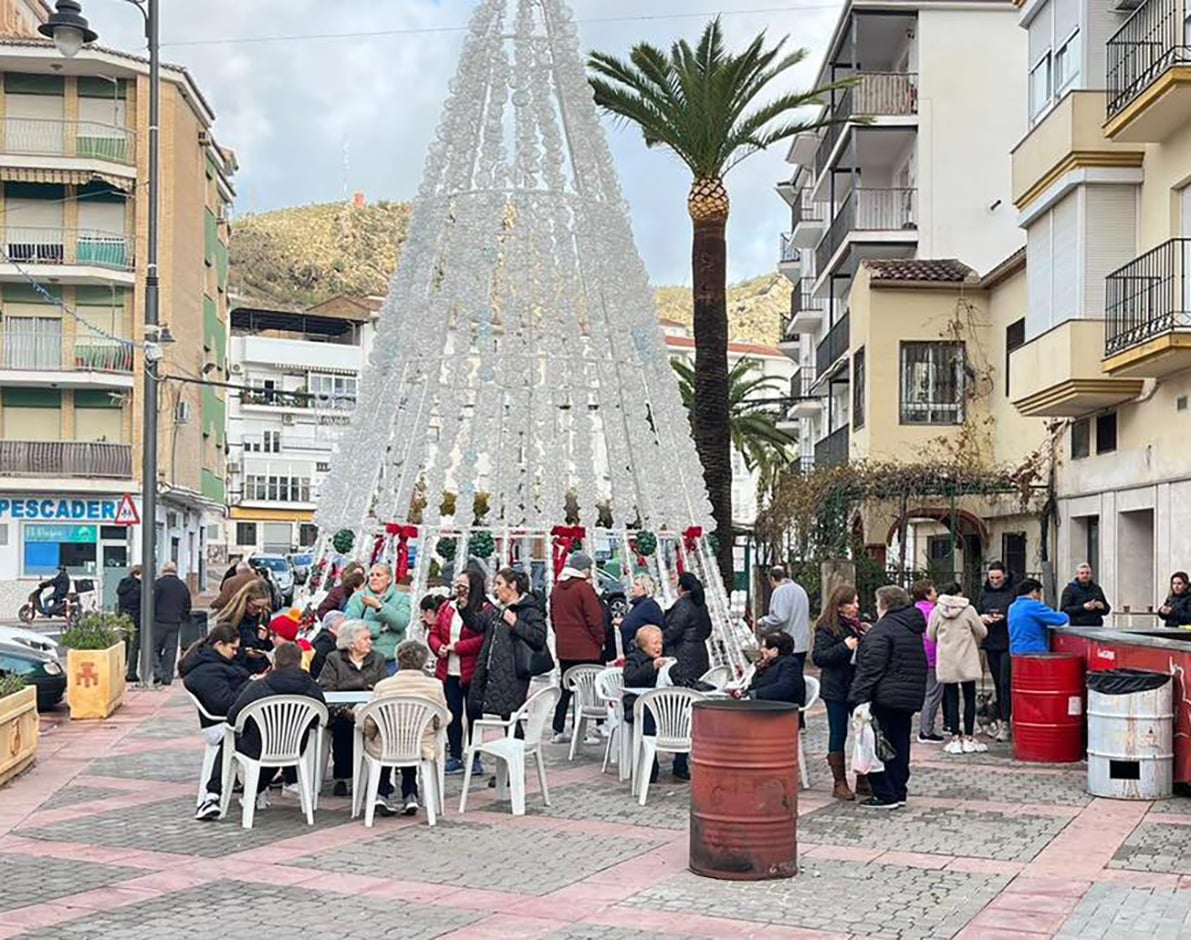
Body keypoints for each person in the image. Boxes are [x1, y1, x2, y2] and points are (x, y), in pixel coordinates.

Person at [194, 641, 325, 821]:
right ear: (300, 661)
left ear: (275, 662)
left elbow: (234, 717)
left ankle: (212, 796)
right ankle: (253, 793)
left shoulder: (260, 686)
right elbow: (320, 719)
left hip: (256, 746)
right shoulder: (312, 687)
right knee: (277, 749)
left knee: (229, 739)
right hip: (294, 747)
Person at [849, 585, 928, 811]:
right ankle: (899, 790)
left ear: (884, 604)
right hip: (907, 695)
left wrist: (858, 696)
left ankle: (885, 793)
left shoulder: (882, 630)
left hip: (885, 696)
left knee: (879, 743)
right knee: (900, 743)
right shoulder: (910, 626)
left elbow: (871, 668)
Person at [365, 640, 450, 816]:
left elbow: (371, 720)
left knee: (388, 741)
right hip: (420, 744)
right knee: (411, 740)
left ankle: (381, 793)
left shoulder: (383, 686)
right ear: (424, 662)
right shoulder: (435, 686)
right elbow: (443, 716)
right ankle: (410, 794)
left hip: (387, 745)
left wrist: (370, 733)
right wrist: (434, 726)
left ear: (398, 661)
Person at [318, 619, 388, 796]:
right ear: (351, 643)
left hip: (370, 710)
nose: (370, 642)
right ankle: (343, 777)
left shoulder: (377, 659)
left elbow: (383, 686)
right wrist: (347, 711)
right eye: (365, 639)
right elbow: (327, 689)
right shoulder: (334, 659)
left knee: (377, 727)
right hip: (341, 710)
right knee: (343, 728)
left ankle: (376, 777)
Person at [466, 568, 548, 721]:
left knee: (510, 718)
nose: (495, 588)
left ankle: (518, 745)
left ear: (513, 585)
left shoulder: (529, 610)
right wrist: (464, 608)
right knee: (476, 709)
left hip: (513, 672)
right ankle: (475, 743)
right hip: (490, 670)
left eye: (499, 583)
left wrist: (515, 622)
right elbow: (478, 624)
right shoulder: (496, 609)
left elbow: (538, 637)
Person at [813, 583, 868, 801]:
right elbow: (819, 657)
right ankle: (839, 782)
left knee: (864, 731)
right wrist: (844, 647)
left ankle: (863, 776)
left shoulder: (857, 626)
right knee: (839, 733)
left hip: (857, 686)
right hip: (836, 688)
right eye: (853, 602)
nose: (857, 606)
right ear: (840, 606)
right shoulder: (826, 627)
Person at [428, 571, 487, 775]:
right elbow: (434, 632)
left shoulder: (484, 609)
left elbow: (483, 638)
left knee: (474, 714)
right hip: (448, 670)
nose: (459, 588)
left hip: (472, 670)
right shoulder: (447, 606)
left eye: (464, 584)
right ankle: (455, 755)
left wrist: (458, 647)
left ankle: (475, 755)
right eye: (457, 583)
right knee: (452, 714)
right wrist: (439, 647)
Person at [549, 551, 607, 744]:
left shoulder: (556, 589)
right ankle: (579, 731)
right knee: (584, 691)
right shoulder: (584, 588)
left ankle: (558, 729)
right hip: (586, 649)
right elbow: (595, 618)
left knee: (565, 687)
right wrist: (600, 640)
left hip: (564, 649)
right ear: (583, 569)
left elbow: (553, 619)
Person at [928, 582, 988, 756]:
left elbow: (931, 635)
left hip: (947, 660)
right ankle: (968, 737)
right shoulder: (968, 609)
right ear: (959, 593)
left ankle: (954, 737)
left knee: (951, 698)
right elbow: (982, 631)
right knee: (969, 697)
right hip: (966, 658)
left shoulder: (936, 611)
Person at [622, 624, 684, 782]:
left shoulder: (664, 659)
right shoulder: (633, 658)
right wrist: (652, 666)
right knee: (648, 719)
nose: (659, 647)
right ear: (643, 645)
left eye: (660, 643)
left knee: (682, 716)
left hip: (661, 705)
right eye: (654, 643)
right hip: (638, 706)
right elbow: (631, 677)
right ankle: (651, 766)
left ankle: (681, 763)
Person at [180, 623, 249, 730]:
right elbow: (226, 704)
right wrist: (251, 683)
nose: (235, 653)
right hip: (221, 724)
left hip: (232, 719)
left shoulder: (218, 661)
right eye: (233, 648)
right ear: (219, 645)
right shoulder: (206, 671)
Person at [344, 563, 410, 675]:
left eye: (378, 575)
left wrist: (380, 607)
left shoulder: (401, 598)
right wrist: (377, 628)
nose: (374, 578)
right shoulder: (359, 597)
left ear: (389, 579)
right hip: (364, 658)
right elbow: (350, 625)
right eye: (372, 575)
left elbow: (402, 622)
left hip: (391, 660)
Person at [977, 562, 1015, 743]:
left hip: (1008, 642)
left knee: (1005, 682)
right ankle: (1000, 718)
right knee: (998, 684)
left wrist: (1005, 617)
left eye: (998, 578)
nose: (995, 581)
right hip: (991, 642)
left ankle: (1006, 720)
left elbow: (1016, 614)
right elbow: (978, 612)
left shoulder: (1012, 592)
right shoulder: (984, 593)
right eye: (992, 578)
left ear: (1005, 576)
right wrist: (983, 618)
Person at [216, 580, 274, 676]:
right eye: (255, 606)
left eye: (262, 607)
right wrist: (244, 653)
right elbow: (221, 649)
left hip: (259, 669)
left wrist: (264, 639)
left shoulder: (264, 615)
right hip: (236, 669)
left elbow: (266, 647)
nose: (259, 611)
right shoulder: (231, 619)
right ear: (246, 601)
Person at [663, 572, 712, 685]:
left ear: (680, 587)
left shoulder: (683, 605)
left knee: (684, 687)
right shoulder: (701, 604)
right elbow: (707, 630)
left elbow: (674, 630)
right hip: (700, 652)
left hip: (683, 654)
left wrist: (659, 640)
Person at [757, 566, 811, 665]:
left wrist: (763, 622)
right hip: (802, 643)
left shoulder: (780, 591)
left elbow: (779, 618)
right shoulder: (800, 590)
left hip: (786, 645)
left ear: (772, 579)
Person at [912, 580, 944, 744]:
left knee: (927, 692)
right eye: (933, 591)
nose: (936, 594)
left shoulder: (914, 610)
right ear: (927, 594)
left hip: (919, 655)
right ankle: (926, 730)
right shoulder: (934, 611)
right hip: (933, 655)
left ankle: (926, 728)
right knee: (933, 694)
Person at [152, 561, 192, 686]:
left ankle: (158, 672)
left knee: (153, 649)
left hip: (158, 621)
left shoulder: (158, 584)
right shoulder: (182, 585)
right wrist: (182, 617)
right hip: (175, 622)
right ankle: (167, 676)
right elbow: (187, 605)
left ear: (163, 571)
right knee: (171, 650)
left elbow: (152, 602)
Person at [1009, 578, 1070, 655]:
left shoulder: (1012, 607)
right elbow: (1059, 619)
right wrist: (1067, 615)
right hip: (1034, 650)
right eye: (1040, 593)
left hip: (1015, 650)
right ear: (1034, 591)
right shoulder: (1033, 605)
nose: (1040, 596)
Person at [746, 631, 806, 706]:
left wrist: (755, 694)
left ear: (774, 650)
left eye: (764, 647)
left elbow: (783, 688)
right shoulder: (766, 664)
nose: (762, 650)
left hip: (782, 710)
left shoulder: (790, 664)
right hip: (764, 706)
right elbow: (756, 684)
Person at [616, 574, 664, 657]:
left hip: (643, 655)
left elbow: (660, 628)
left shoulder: (649, 606)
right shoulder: (637, 605)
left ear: (646, 589)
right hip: (633, 654)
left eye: (637, 585)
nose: (633, 587)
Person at [1060, 563, 1111, 627]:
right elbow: (1064, 610)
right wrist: (1083, 607)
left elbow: (1107, 610)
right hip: (1077, 627)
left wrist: (1102, 606)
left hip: (1096, 627)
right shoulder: (1070, 589)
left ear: (1091, 575)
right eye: (1082, 573)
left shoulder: (1097, 589)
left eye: (1087, 573)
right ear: (1077, 575)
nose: (1085, 575)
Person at [117, 565, 143, 683]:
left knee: (124, 643)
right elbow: (138, 603)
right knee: (134, 646)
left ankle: (121, 668)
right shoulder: (138, 587)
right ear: (138, 574)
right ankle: (131, 673)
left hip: (123, 616)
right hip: (135, 618)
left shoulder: (123, 583)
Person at [310, 610, 345, 681]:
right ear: (331, 626)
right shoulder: (326, 641)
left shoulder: (326, 637)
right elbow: (320, 662)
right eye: (343, 624)